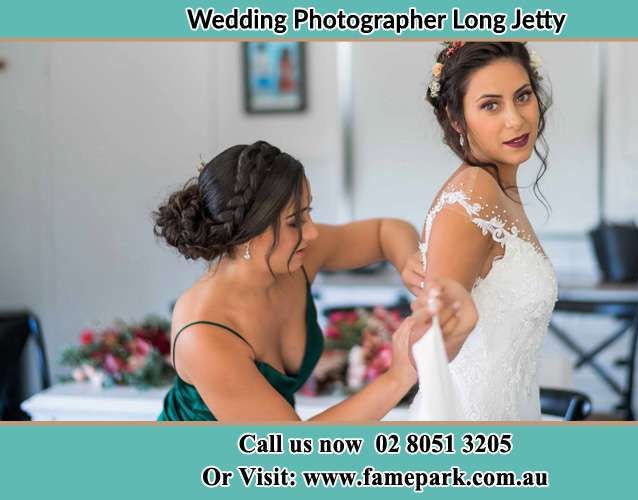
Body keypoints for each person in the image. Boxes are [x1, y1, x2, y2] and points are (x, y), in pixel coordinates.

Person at [153, 140, 477, 421]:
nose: (313, 232)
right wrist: (399, 376)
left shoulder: (296, 258)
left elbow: (385, 232)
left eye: (309, 212)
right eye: (295, 222)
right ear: (246, 235)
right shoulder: (204, 335)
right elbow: (292, 449)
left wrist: (414, 267)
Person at [410, 42, 559, 420]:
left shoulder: (497, 188)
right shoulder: (474, 194)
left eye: (523, 96)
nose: (516, 120)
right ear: (456, 118)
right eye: (490, 105)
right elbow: (430, 345)